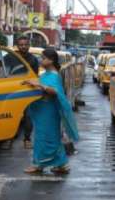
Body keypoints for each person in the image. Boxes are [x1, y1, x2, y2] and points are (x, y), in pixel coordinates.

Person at [22, 47, 79, 175]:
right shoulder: (46, 74)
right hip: (44, 110)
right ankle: (61, 165)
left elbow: (54, 91)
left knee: (45, 138)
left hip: (49, 111)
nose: (41, 60)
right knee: (49, 137)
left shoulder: (53, 75)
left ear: (51, 60)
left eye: (43, 58)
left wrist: (39, 85)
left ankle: (39, 165)